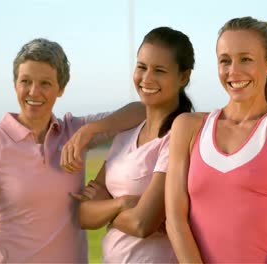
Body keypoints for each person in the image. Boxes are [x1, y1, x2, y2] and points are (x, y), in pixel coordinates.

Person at [0, 38, 145, 263]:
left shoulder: (74, 130)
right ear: (15, 84)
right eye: (26, 81)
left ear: (61, 88)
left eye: (45, 83)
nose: (34, 92)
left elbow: (141, 111)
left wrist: (88, 132)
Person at [165, 16, 267, 263]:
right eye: (225, 61)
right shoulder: (188, 127)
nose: (233, 71)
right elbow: (175, 220)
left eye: (246, 59)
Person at [69, 27, 194, 263]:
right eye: (141, 67)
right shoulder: (127, 132)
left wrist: (104, 208)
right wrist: (124, 203)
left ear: (183, 77)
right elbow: (83, 215)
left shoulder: (176, 138)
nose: (146, 78)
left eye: (159, 70)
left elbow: (143, 223)